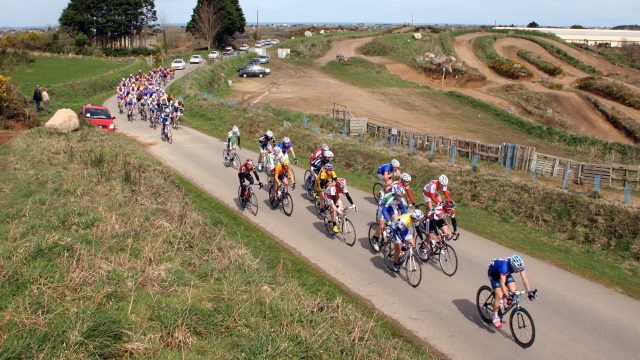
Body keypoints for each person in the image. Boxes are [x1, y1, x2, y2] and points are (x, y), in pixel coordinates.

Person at [487, 255, 536, 329]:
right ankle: (495, 316)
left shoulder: (519, 265)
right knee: (499, 295)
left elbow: (524, 279)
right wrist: (507, 297)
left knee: (514, 291)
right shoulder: (504, 266)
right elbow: (502, 283)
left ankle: (503, 302)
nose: (517, 272)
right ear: (512, 265)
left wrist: (529, 292)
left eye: (519, 270)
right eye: (516, 270)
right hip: (494, 274)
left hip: (506, 273)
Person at [371, 185, 408, 251]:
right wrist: (389, 221)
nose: (401, 198)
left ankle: (390, 234)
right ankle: (375, 238)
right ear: (396, 194)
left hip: (391, 206)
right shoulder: (389, 198)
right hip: (383, 207)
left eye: (402, 196)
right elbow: (384, 211)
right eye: (400, 196)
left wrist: (407, 217)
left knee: (397, 221)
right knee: (382, 225)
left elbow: (404, 209)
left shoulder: (401, 198)